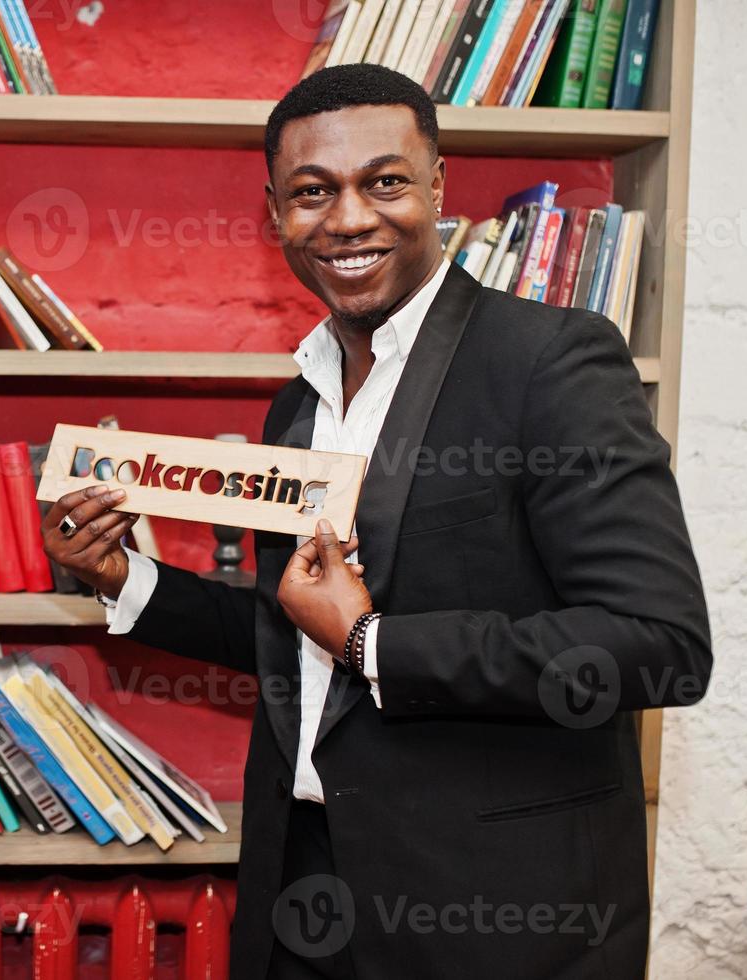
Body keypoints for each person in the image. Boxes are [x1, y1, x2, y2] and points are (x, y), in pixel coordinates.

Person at [42, 64, 711, 980]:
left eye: (384, 182)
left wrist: (372, 642)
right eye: (312, 192)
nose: (348, 218)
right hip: (303, 891)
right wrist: (123, 579)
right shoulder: (297, 404)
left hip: (494, 911)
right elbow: (295, 632)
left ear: (439, 186)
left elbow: (657, 644)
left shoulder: (550, 363)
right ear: (274, 210)